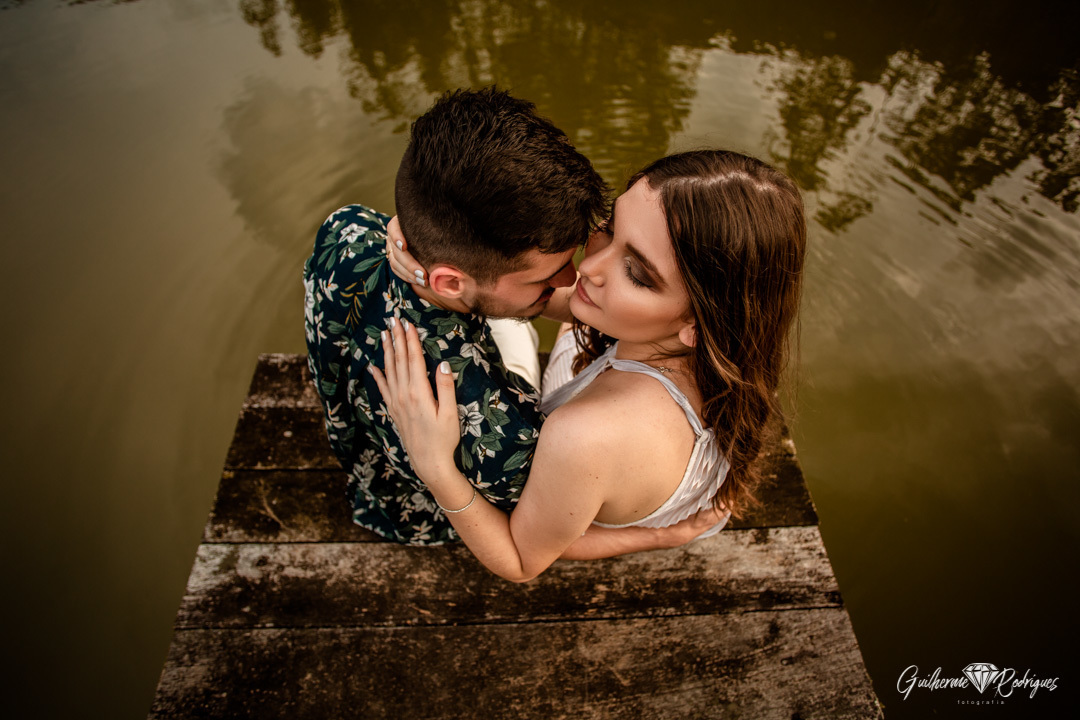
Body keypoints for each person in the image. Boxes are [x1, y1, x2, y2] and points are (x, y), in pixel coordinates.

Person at [305, 87, 719, 552]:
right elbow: (535, 544)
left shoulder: (347, 230)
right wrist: (662, 536)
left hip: (366, 471)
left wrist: (401, 231)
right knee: (519, 333)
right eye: (545, 277)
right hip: (431, 516)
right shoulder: (501, 440)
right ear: (450, 283)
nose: (576, 275)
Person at [372, 149, 807, 581]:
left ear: (698, 321)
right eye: (610, 229)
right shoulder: (724, 351)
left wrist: (435, 466)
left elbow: (523, 560)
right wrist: (428, 245)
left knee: (505, 332)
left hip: (600, 457)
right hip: (623, 446)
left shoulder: (585, 437)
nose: (587, 268)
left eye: (637, 273)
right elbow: (549, 297)